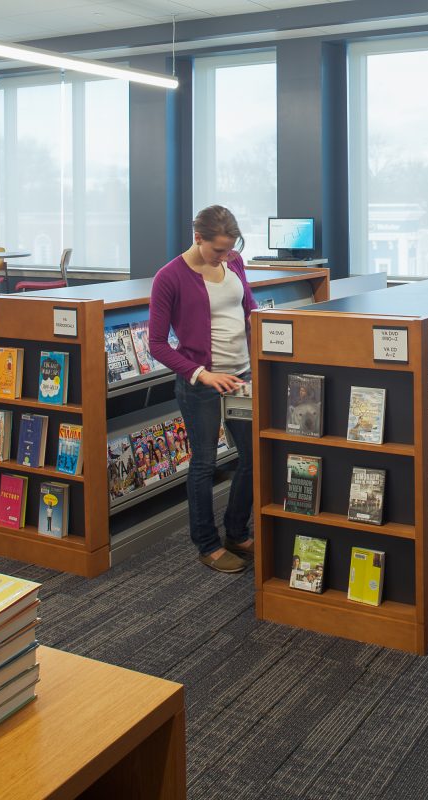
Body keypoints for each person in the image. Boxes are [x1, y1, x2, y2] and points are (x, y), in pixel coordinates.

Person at [149, 206, 257, 573]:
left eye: (229, 249)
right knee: (205, 463)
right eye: (218, 250)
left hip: (241, 378)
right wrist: (202, 374)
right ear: (198, 238)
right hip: (202, 385)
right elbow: (157, 345)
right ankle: (207, 544)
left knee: (253, 458)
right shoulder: (170, 277)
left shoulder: (235, 263)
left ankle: (236, 532)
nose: (224, 257)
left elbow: (250, 312)